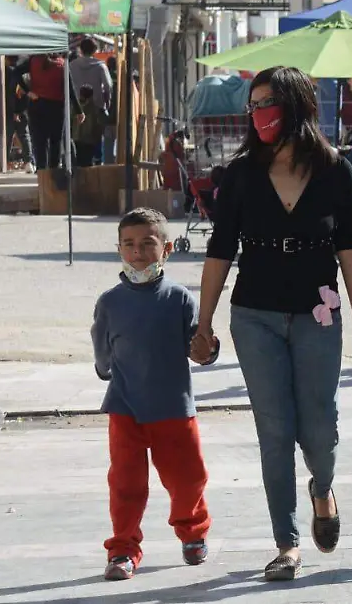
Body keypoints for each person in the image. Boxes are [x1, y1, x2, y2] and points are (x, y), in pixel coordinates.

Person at [194, 66, 352, 580]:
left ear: (296, 105)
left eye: (267, 104)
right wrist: (204, 320)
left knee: (319, 430)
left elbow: (351, 245)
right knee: (274, 430)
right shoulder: (239, 175)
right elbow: (219, 251)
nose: (258, 115)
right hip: (253, 315)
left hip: (318, 313)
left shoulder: (333, 170)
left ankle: (322, 490)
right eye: (252, 106)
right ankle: (287, 542)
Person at [92, 208, 218, 581]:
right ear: (119, 250)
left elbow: (200, 343)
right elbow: (102, 352)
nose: (138, 253)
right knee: (126, 484)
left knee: (189, 479)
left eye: (148, 244)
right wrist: (104, 371)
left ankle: (193, 531)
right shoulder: (110, 302)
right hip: (125, 409)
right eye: (129, 245)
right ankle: (123, 550)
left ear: (167, 249)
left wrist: (207, 351)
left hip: (173, 408)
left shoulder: (180, 299)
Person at [11, 53, 79, 169]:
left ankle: (41, 172)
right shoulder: (62, 63)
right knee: (55, 142)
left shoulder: (34, 60)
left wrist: (28, 91)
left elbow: (16, 72)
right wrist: (79, 110)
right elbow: (70, 88)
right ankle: (53, 172)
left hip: (37, 104)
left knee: (39, 141)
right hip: (57, 106)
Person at [71, 37, 114, 165]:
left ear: (80, 49)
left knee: (77, 138)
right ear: (95, 50)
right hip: (95, 108)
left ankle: (78, 166)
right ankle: (92, 163)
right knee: (94, 139)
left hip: (76, 107)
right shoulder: (101, 66)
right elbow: (108, 87)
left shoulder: (72, 66)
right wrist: (107, 103)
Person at [4, 56, 33, 170]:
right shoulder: (23, 74)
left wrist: (16, 111)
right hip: (22, 109)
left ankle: (9, 161)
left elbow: (13, 93)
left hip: (14, 110)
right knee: (24, 136)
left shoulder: (10, 73)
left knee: (11, 136)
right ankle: (28, 162)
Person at [73, 85, 109, 167]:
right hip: (89, 142)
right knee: (87, 165)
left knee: (77, 165)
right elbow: (99, 128)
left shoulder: (74, 108)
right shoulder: (96, 110)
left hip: (76, 139)